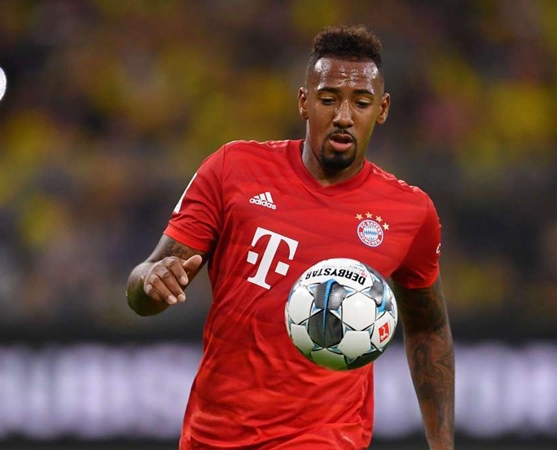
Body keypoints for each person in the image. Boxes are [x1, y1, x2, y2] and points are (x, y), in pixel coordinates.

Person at [126, 24, 454, 450]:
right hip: (214, 434)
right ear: (304, 102)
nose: (343, 116)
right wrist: (151, 282)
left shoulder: (410, 212)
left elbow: (429, 328)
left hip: (327, 436)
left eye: (360, 102)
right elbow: (143, 289)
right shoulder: (233, 169)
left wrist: (442, 445)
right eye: (328, 99)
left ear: (383, 109)